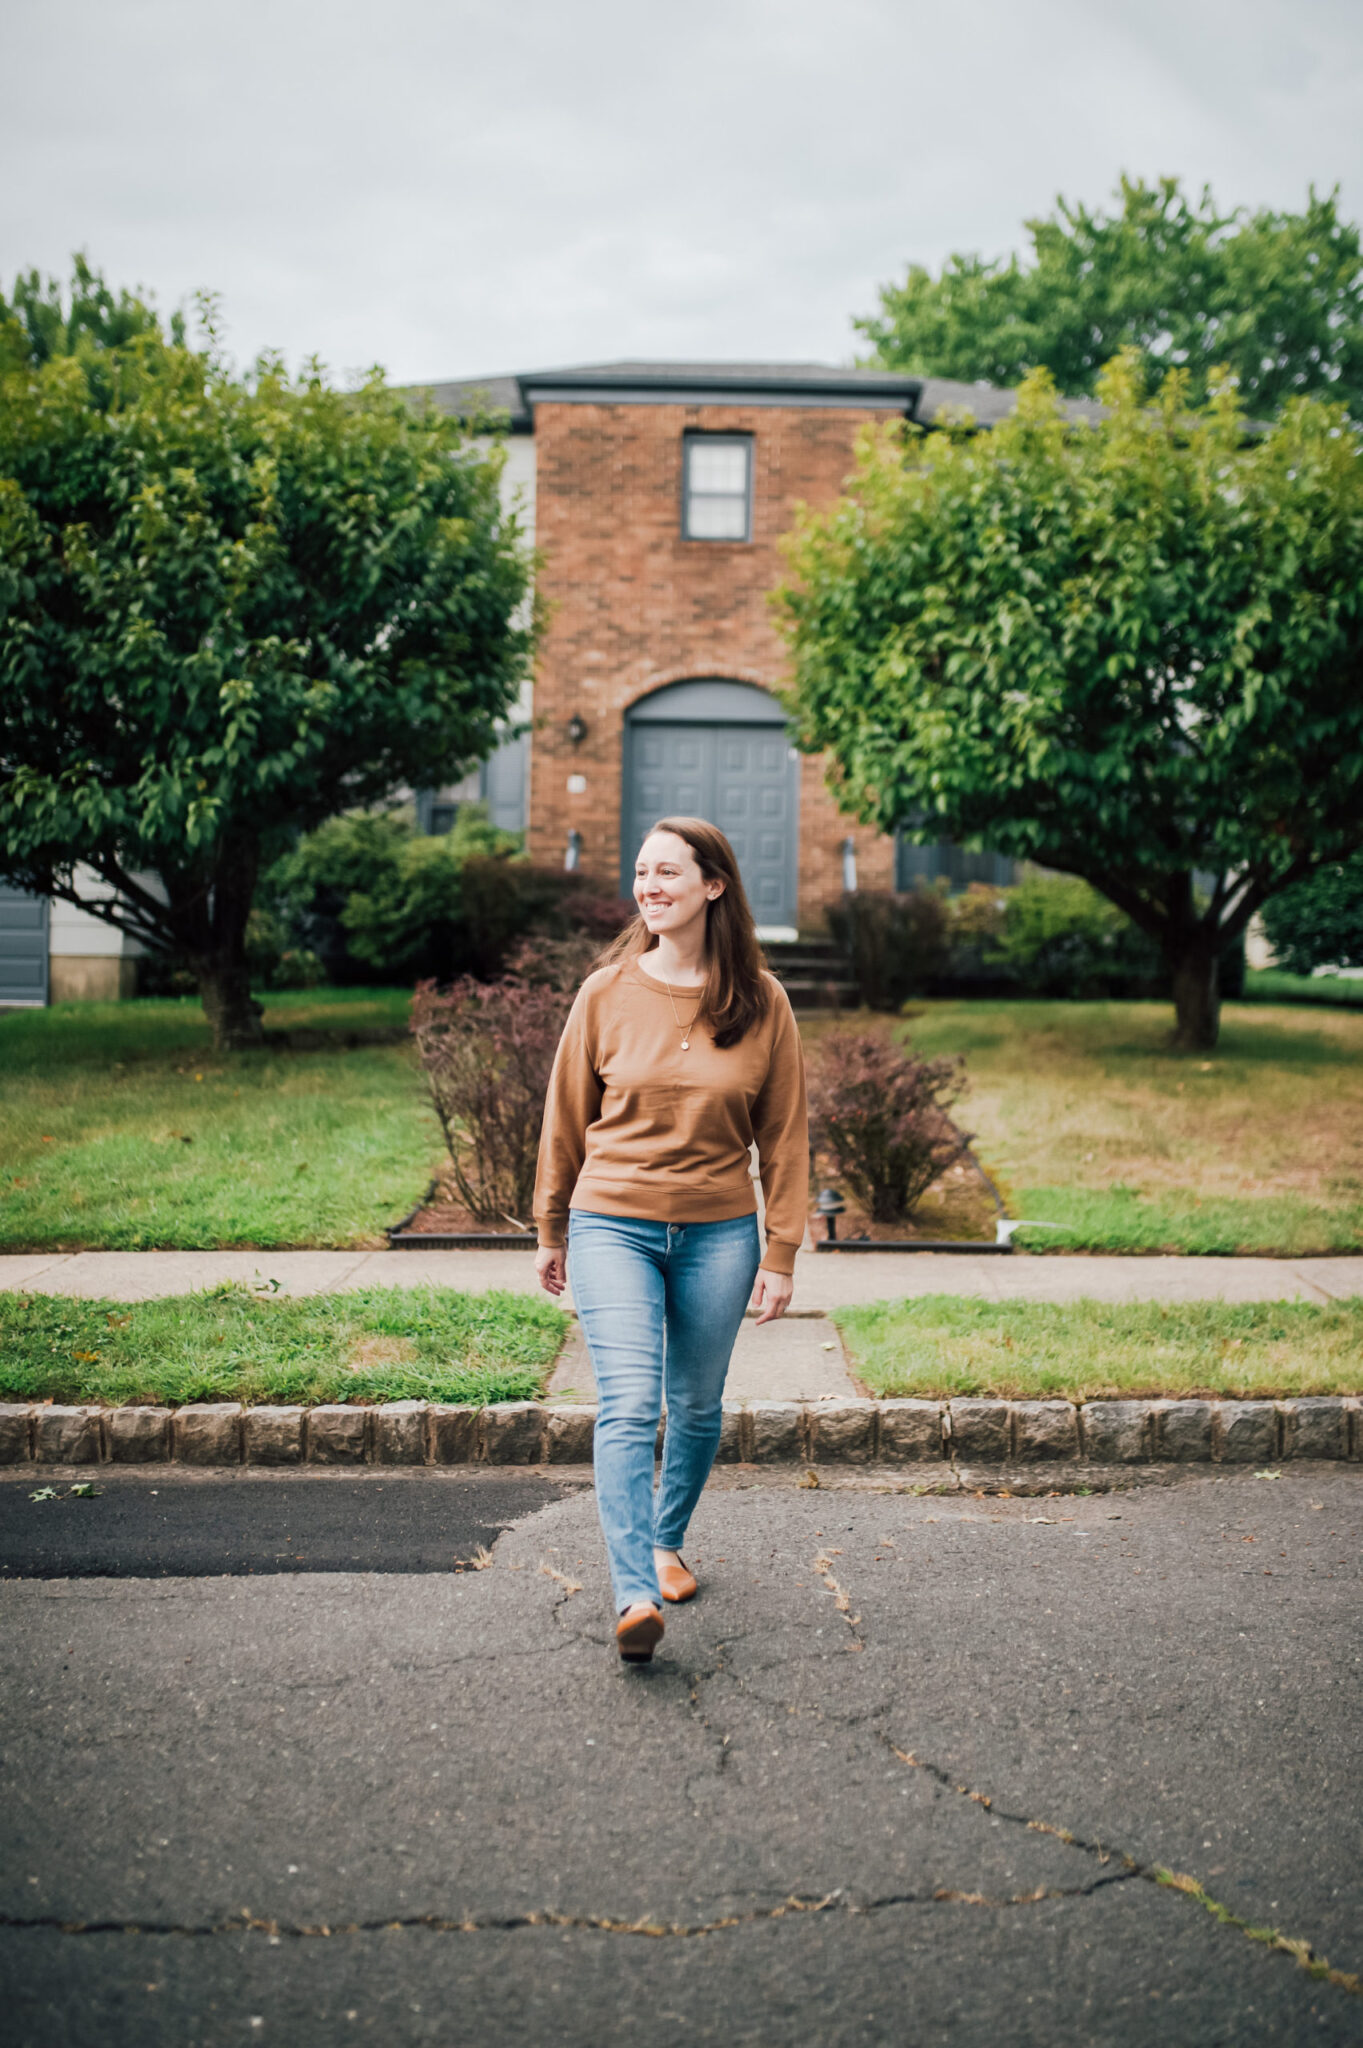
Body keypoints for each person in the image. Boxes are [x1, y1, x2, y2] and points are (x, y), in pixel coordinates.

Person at [533, 816, 808, 1664]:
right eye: (643, 874)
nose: (649, 888)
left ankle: (663, 1540)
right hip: (612, 1221)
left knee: (693, 1404)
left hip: (720, 1231)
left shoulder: (762, 1001)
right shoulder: (605, 993)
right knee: (627, 1403)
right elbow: (564, 1116)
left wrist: (780, 1252)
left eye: (668, 874)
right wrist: (551, 1225)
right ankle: (632, 1593)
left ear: (712, 887)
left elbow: (786, 1136)